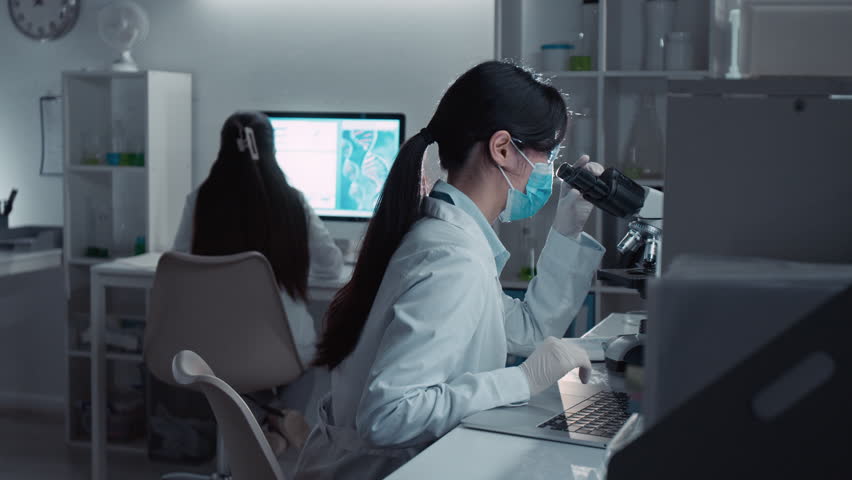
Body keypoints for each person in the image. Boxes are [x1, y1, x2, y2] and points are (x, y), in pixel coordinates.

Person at [294, 61, 605, 479]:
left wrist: (567, 229)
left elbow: (528, 329)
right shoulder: (452, 258)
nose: (549, 170)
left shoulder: (449, 238)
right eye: (547, 154)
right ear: (501, 149)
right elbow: (388, 415)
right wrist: (522, 380)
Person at [172, 111, 344, 451]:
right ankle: (279, 422)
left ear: (222, 150)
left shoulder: (201, 200)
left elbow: (181, 263)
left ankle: (259, 428)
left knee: (242, 370)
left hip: (209, 349)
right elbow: (331, 267)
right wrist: (289, 271)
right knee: (317, 358)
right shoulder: (292, 201)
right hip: (281, 352)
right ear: (271, 150)